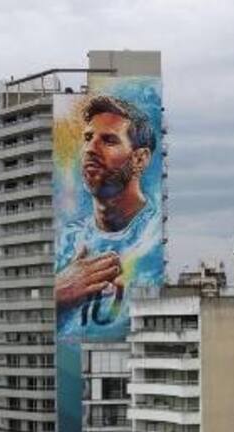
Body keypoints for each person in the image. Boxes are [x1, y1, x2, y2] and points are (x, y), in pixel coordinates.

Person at [56, 94, 164, 338]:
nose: (90, 149)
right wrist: (59, 291)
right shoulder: (67, 240)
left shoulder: (152, 238)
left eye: (108, 140)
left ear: (140, 158)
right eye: (87, 138)